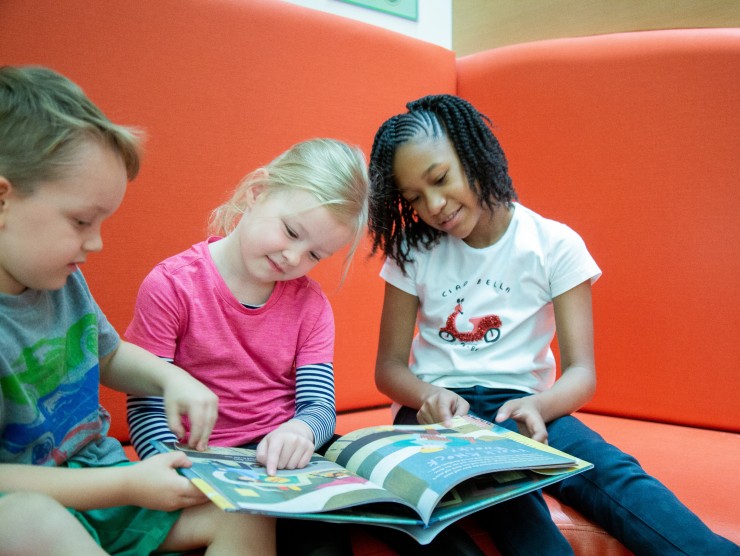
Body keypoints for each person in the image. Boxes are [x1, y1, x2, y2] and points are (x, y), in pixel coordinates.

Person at [367, 93, 739, 555]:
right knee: (514, 506)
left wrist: (540, 408)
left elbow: (582, 373)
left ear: (473, 153)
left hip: (528, 404)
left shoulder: (553, 244)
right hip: (437, 413)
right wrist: (430, 397)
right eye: (415, 198)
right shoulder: (413, 253)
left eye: (440, 179)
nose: (434, 205)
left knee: (615, 476)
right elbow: (388, 368)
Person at [0, 65, 271, 555]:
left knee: (244, 508)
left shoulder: (61, 279)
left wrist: (173, 379)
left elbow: (107, 355)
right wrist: (126, 486)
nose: (97, 242)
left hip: (101, 476)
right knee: (26, 520)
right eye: (82, 221)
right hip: (34, 499)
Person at [124, 138, 368, 554]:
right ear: (257, 193)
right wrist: (169, 463)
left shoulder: (310, 305)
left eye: (315, 254)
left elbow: (319, 405)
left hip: (283, 459)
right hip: (198, 459)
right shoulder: (172, 285)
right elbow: (146, 401)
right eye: (291, 231)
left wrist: (300, 429)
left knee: (327, 537)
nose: (294, 257)